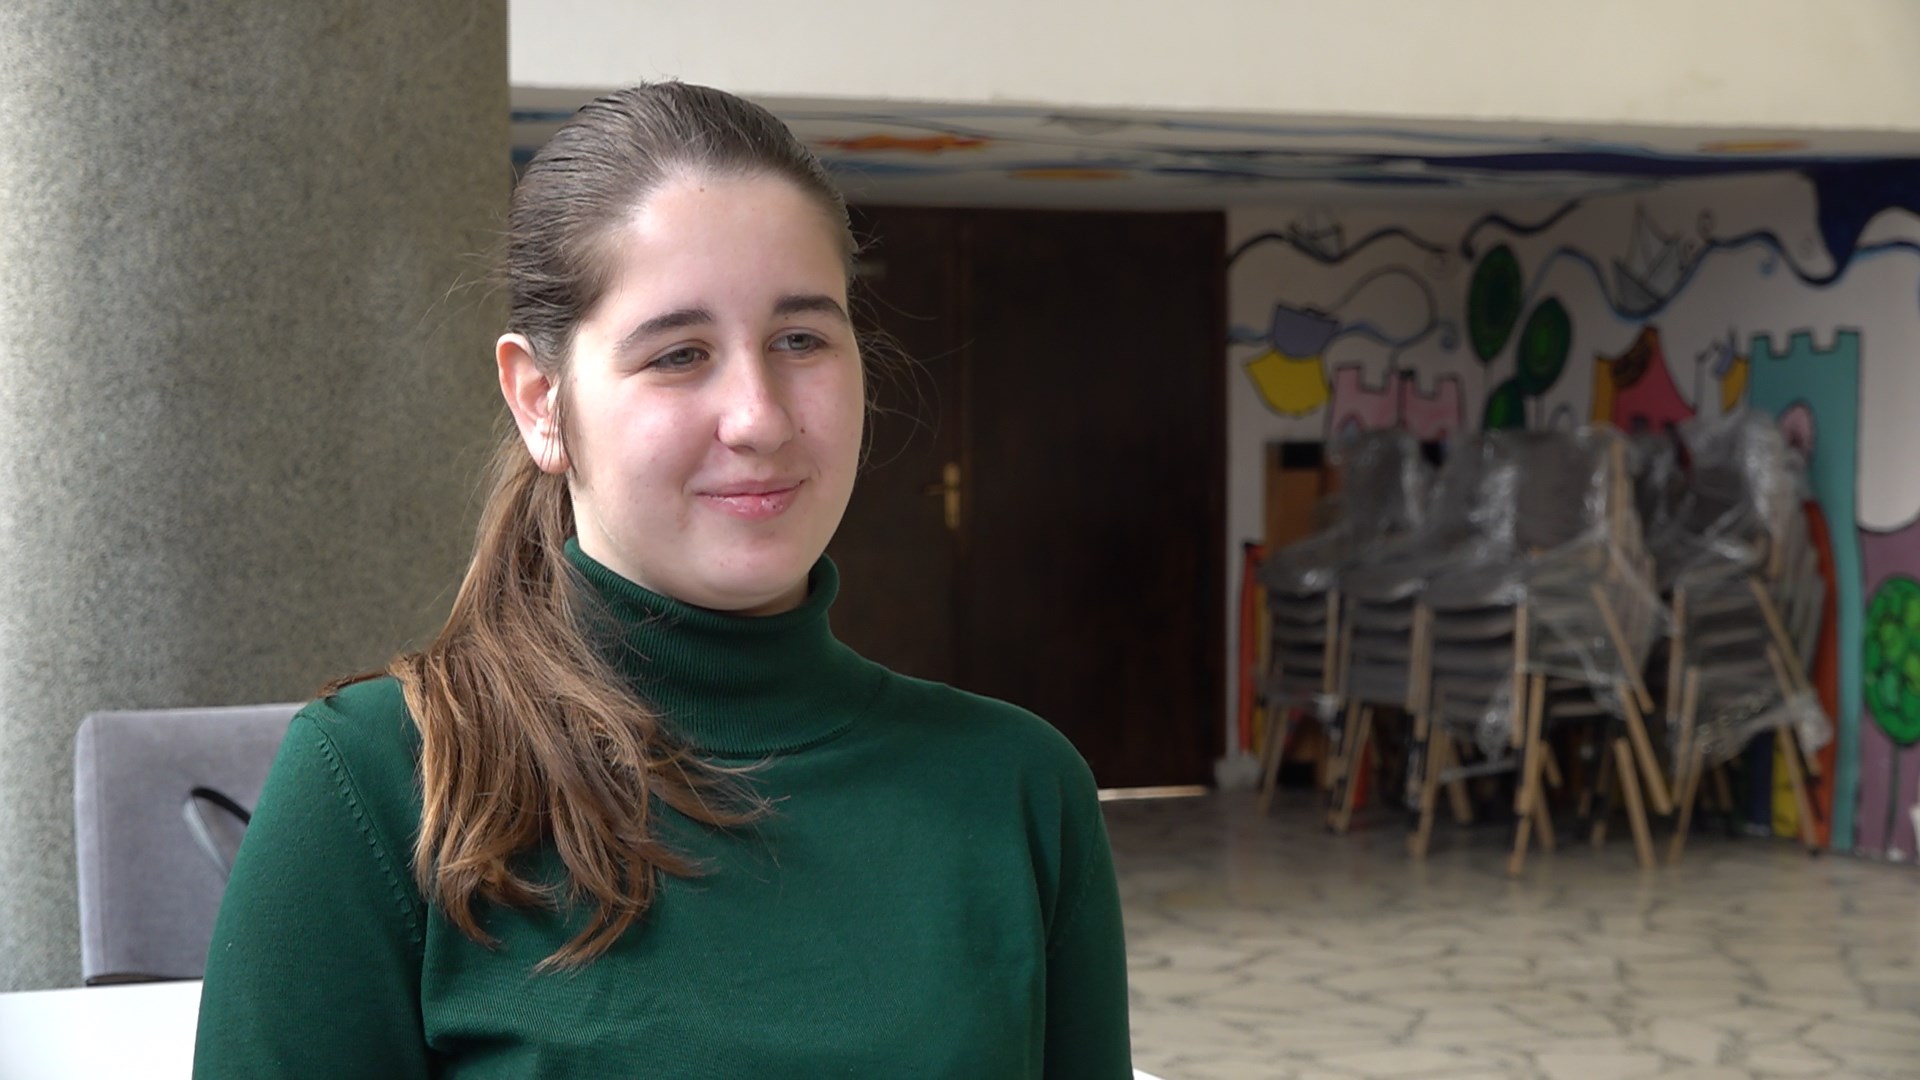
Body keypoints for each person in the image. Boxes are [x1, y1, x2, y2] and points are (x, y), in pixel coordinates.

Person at [193, 82, 1132, 1078]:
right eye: (680, 354)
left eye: (801, 340)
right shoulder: (381, 783)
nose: (759, 417)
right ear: (541, 401)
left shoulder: (1018, 788)